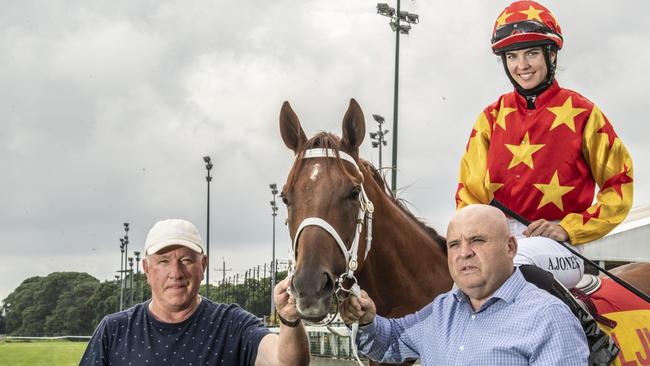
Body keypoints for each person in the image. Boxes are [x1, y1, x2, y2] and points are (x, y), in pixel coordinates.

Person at [455, 0, 634, 289]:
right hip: (497, 243)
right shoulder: (490, 118)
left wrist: (568, 228)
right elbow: (469, 197)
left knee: (512, 265)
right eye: (512, 56)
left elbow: (619, 185)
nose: (521, 65)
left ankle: (586, 332)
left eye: (531, 54)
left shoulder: (585, 113)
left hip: (561, 248)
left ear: (551, 56)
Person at [340, 204, 588, 365]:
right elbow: (392, 341)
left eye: (477, 240)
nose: (464, 253)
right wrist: (366, 320)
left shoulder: (549, 318)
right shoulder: (441, 309)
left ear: (510, 247)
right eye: (454, 244)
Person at [80, 218, 310, 366]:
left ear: (203, 266)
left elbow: (287, 362)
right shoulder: (115, 330)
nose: (176, 272)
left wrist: (289, 319)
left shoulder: (231, 325)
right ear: (147, 270)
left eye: (186, 260)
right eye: (163, 261)